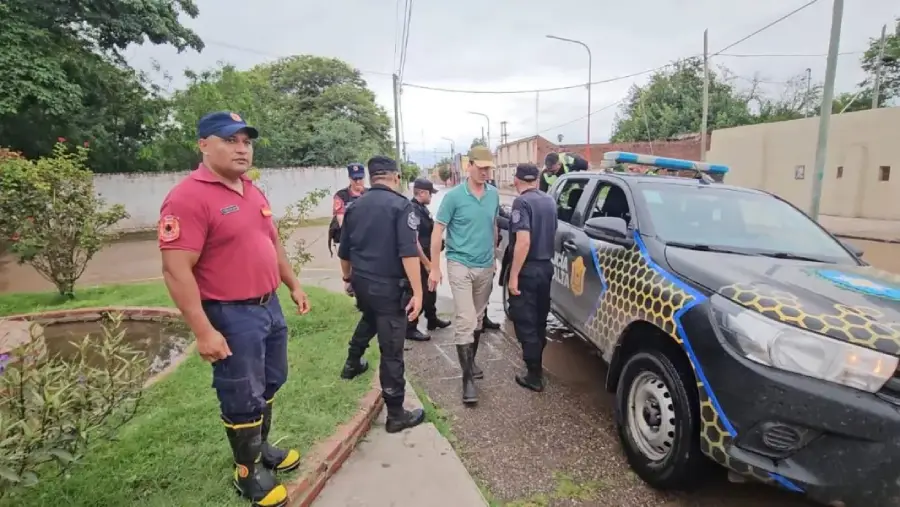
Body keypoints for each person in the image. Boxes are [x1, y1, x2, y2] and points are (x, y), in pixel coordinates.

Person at [158, 111, 310, 507]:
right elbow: (176, 270)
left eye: (246, 141)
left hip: (268, 306)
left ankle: (260, 451)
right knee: (242, 393)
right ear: (204, 144)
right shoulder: (188, 197)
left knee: (271, 380)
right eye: (231, 140)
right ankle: (247, 473)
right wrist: (204, 330)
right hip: (230, 313)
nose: (242, 149)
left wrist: (293, 285)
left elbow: (271, 243)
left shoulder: (251, 190)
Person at [337, 155, 426, 433]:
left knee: (370, 318)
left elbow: (344, 250)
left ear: (372, 176)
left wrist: (348, 277)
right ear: (396, 177)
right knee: (392, 350)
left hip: (362, 282)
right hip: (389, 287)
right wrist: (418, 292)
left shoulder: (355, 206)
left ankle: (352, 362)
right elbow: (408, 252)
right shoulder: (402, 207)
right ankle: (396, 414)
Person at [428, 146, 500, 405]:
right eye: (480, 167)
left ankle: (472, 362)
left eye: (488, 168)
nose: (485, 172)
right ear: (469, 165)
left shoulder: (493, 195)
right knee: (465, 318)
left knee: (478, 318)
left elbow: (492, 226)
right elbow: (437, 232)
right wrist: (435, 267)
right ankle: (467, 378)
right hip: (459, 263)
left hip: (485, 265)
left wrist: (494, 257)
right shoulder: (454, 197)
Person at [506, 163, 558, 392]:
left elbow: (524, 241)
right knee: (539, 319)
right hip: (546, 267)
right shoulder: (549, 200)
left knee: (524, 320)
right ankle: (538, 364)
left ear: (517, 180)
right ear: (537, 180)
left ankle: (534, 375)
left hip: (527, 269)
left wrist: (514, 275)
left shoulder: (521, 202)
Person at [408, 178, 451, 340]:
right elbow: (414, 240)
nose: (431, 197)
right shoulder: (413, 210)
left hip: (427, 257)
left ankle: (432, 320)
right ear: (422, 193)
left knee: (430, 290)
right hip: (419, 259)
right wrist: (427, 263)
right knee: (418, 292)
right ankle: (411, 327)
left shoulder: (422, 209)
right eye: (429, 194)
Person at [328, 162, 367, 256]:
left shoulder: (370, 194)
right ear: (350, 178)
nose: (358, 181)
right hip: (350, 237)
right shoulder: (341, 195)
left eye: (360, 178)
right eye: (355, 179)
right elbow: (341, 219)